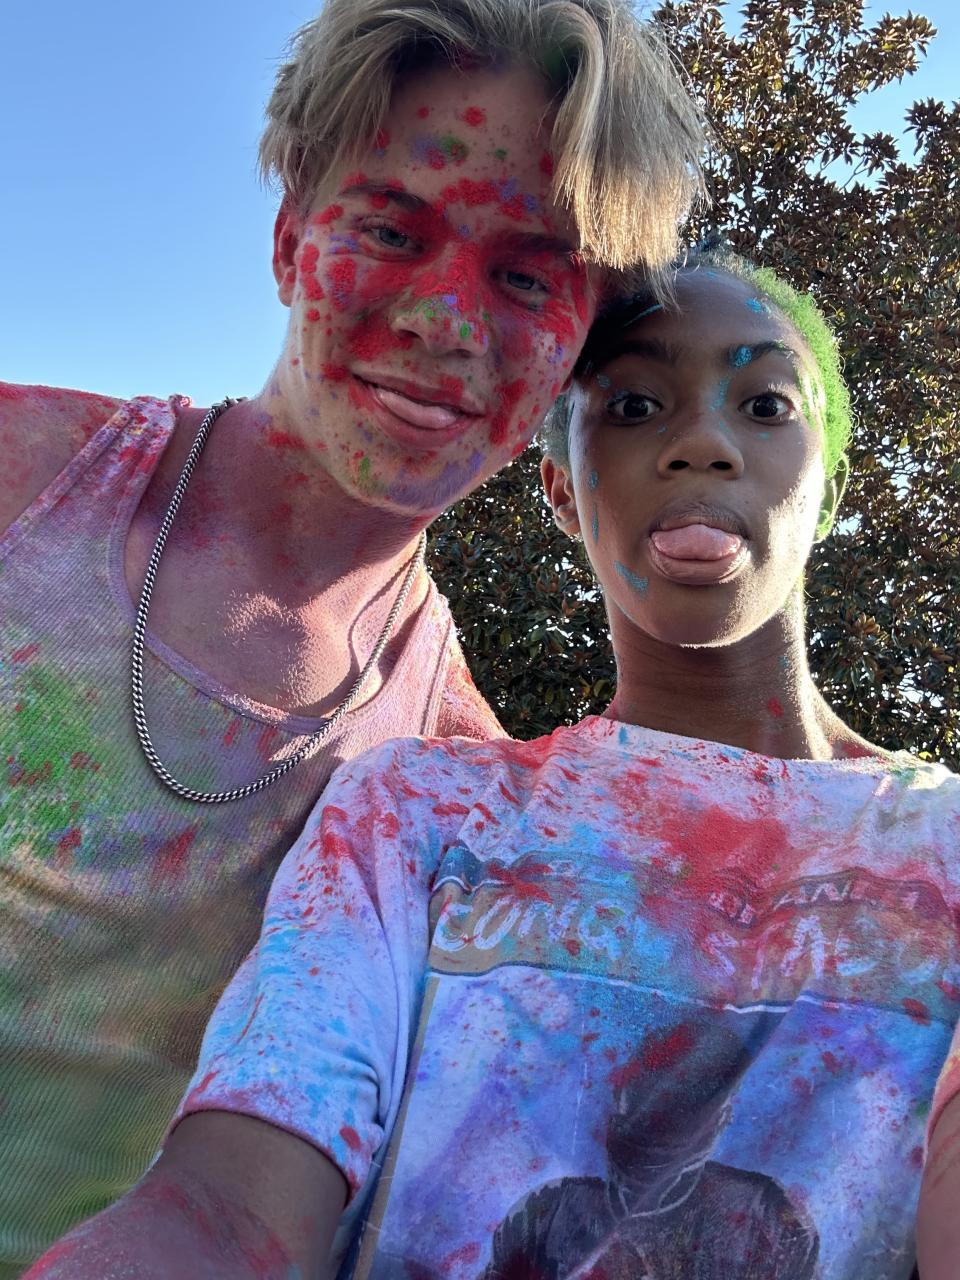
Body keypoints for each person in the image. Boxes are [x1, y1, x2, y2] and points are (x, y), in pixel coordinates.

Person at [37, 241, 957, 1280]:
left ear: (829, 483)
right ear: (563, 489)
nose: (703, 443)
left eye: (766, 406)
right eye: (635, 407)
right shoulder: (419, 816)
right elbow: (229, 1198)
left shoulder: (947, 848)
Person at [0, 2, 706, 1273]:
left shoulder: (446, 775)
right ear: (290, 239)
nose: (447, 321)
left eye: (527, 275)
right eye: (391, 229)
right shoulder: (25, 483)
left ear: (576, 343)